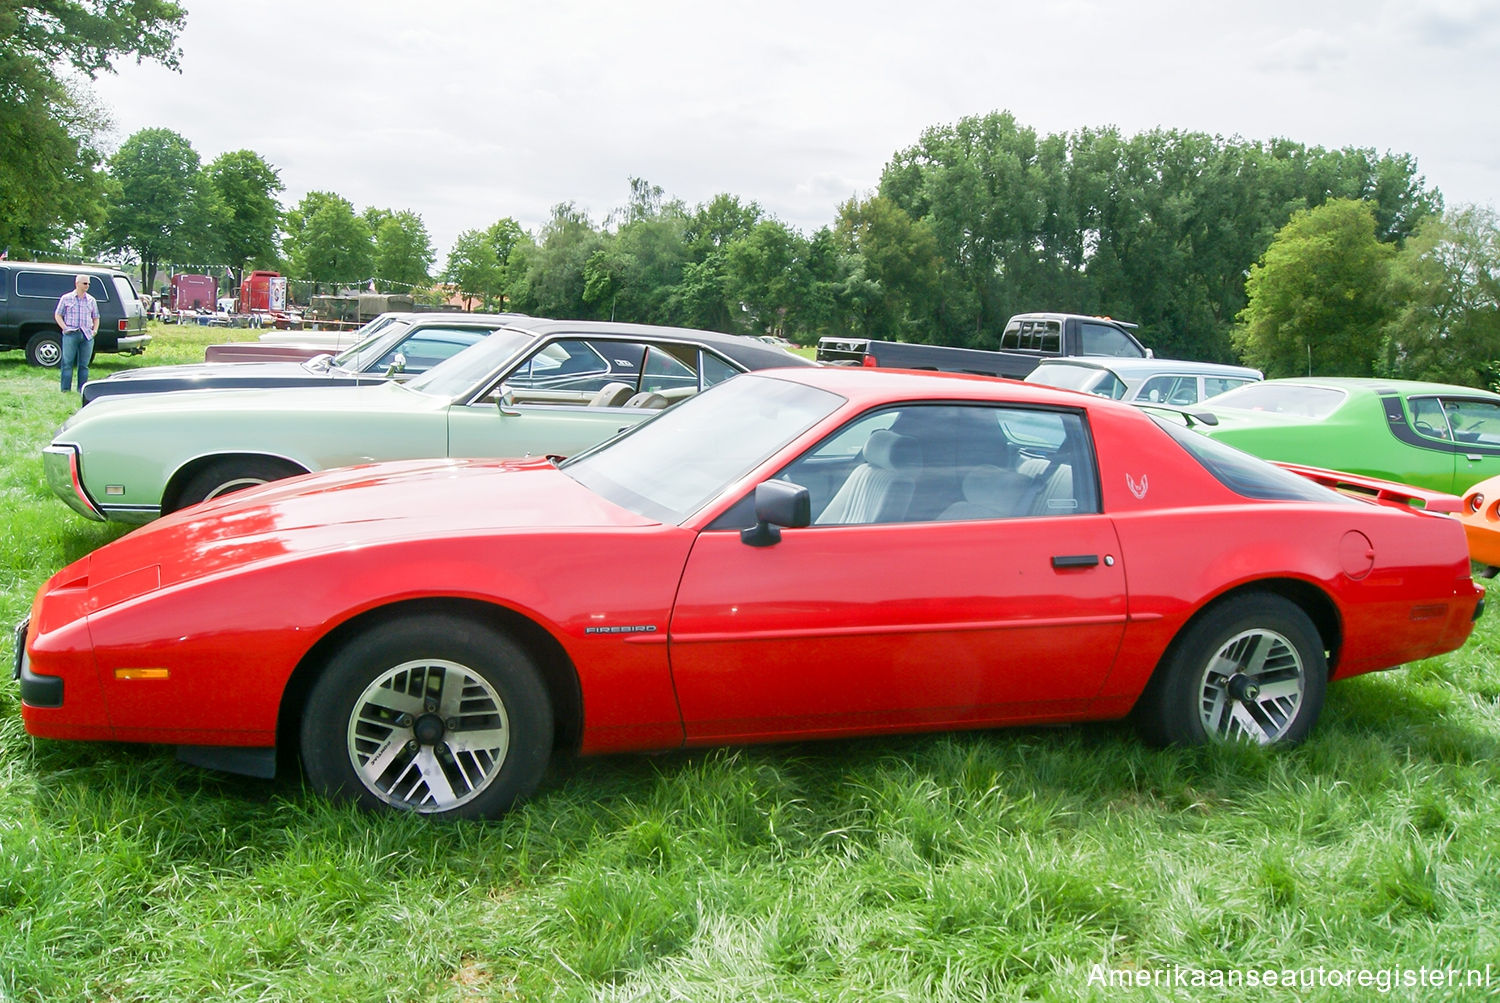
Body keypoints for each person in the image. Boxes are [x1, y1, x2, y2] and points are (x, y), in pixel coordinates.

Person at [54, 274, 100, 394]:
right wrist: (65, 328)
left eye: (89, 284)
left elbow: (96, 317)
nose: (87, 286)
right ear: (77, 284)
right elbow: (58, 314)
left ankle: (82, 390)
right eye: (85, 283)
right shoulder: (66, 298)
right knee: (67, 363)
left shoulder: (91, 300)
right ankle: (65, 389)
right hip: (71, 333)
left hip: (87, 335)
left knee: (84, 365)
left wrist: (94, 330)